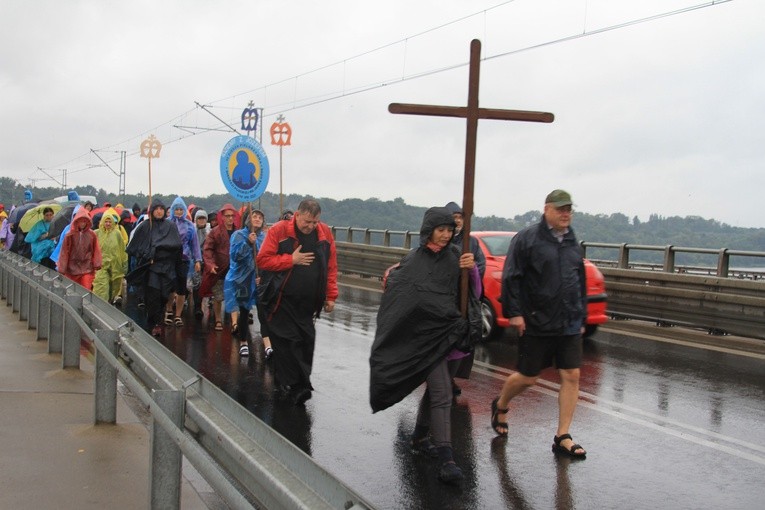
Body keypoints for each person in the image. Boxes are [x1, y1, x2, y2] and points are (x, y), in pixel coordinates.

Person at [369, 206, 477, 485]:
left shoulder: (457, 257)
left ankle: (418, 437)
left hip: (452, 337)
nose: (445, 235)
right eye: (440, 229)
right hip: (424, 340)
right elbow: (402, 297)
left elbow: (474, 294)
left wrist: (472, 270)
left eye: (449, 230)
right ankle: (446, 459)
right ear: (429, 230)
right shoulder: (414, 260)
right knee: (442, 393)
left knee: (434, 394)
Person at [491, 189, 587, 459]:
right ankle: (501, 404)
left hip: (568, 320)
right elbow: (511, 277)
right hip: (537, 320)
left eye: (569, 209)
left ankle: (563, 436)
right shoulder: (528, 239)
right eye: (560, 209)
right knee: (529, 377)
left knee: (571, 375)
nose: (566, 213)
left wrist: (581, 315)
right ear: (547, 210)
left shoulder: (571, 240)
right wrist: (515, 312)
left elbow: (578, 278)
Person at [256, 199, 338, 405]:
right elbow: (263, 260)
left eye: (315, 222)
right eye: (307, 222)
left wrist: (330, 295)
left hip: (309, 302)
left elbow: (331, 267)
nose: (310, 227)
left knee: (306, 341)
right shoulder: (279, 231)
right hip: (282, 299)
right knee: (287, 342)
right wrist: (290, 260)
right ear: (298, 215)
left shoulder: (325, 234)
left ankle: (297, 381)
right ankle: (296, 386)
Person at [444, 201, 486, 397]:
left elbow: (480, 266)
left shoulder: (471, 242)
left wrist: (468, 276)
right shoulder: (441, 238)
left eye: (460, 217)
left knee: (459, 342)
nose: (458, 221)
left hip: (463, 301)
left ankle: (449, 379)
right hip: (443, 300)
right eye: (454, 217)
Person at [126, 201, 182, 337]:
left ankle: (158, 318)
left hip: (167, 267)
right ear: (152, 211)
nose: (159, 211)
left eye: (161, 209)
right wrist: (147, 253)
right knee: (153, 295)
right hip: (152, 267)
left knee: (164, 295)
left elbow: (177, 246)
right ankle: (154, 324)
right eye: (156, 209)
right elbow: (134, 247)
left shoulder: (170, 226)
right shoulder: (145, 226)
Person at [224, 209, 264, 356]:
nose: (257, 219)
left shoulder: (264, 237)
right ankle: (243, 342)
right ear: (248, 219)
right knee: (244, 309)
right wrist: (248, 242)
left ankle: (268, 345)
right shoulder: (239, 235)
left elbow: (267, 258)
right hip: (242, 279)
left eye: (260, 217)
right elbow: (235, 256)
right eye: (254, 216)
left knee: (263, 310)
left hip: (258, 279)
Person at [164, 197, 202, 327]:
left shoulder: (189, 225)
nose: (179, 212)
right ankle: (169, 310)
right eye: (177, 209)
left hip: (184, 259)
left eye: (181, 209)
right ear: (173, 210)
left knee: (181, 288)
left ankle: (178, 315)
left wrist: (197, 260)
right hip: (169, 259)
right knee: (170, 286)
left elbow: (195, 244)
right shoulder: (166, 223)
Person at [200, 204, 238, 331]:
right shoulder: (215, 232)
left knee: (233, 296)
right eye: (227, 216)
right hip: (219, 269)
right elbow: (208, 249)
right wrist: (210, 265)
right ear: (222, 217)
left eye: (232, 216)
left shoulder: (238, 231)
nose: (230, 218)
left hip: (234, 270)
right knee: (218, 297)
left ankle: (234, 323)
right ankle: (218, 319)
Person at [57, 207, 102, 290]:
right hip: (71, 269)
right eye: (81, 221)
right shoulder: (69, 235)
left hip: (87, 268)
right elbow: (64, 253)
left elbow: (96, 249)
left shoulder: (92, 235)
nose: (83, 223)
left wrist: (97, 263)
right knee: (73, 291)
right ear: (76, 221)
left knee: (85, 290)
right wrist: (62, 268)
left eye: (85, 221)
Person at [93, 208, 128, 305]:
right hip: (101, 266)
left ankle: (110, 302)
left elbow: (122, 249)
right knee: (101, 288)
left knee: (114, 289)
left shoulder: (117, 234)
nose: (108, 224)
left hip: (115, 267)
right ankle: (100, 307)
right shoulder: (96, 233)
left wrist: (124, 264)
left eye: (110, 221)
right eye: (106, 221)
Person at [192, 209, 210, 319]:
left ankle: (203, 304)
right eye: (199, 218)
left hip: (207, 260)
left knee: (205, 283)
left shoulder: (210, 231)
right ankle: (197, 307)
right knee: (196, 284)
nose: (201, 220)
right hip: (195, 260)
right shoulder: (192, 230)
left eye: (203, 218)